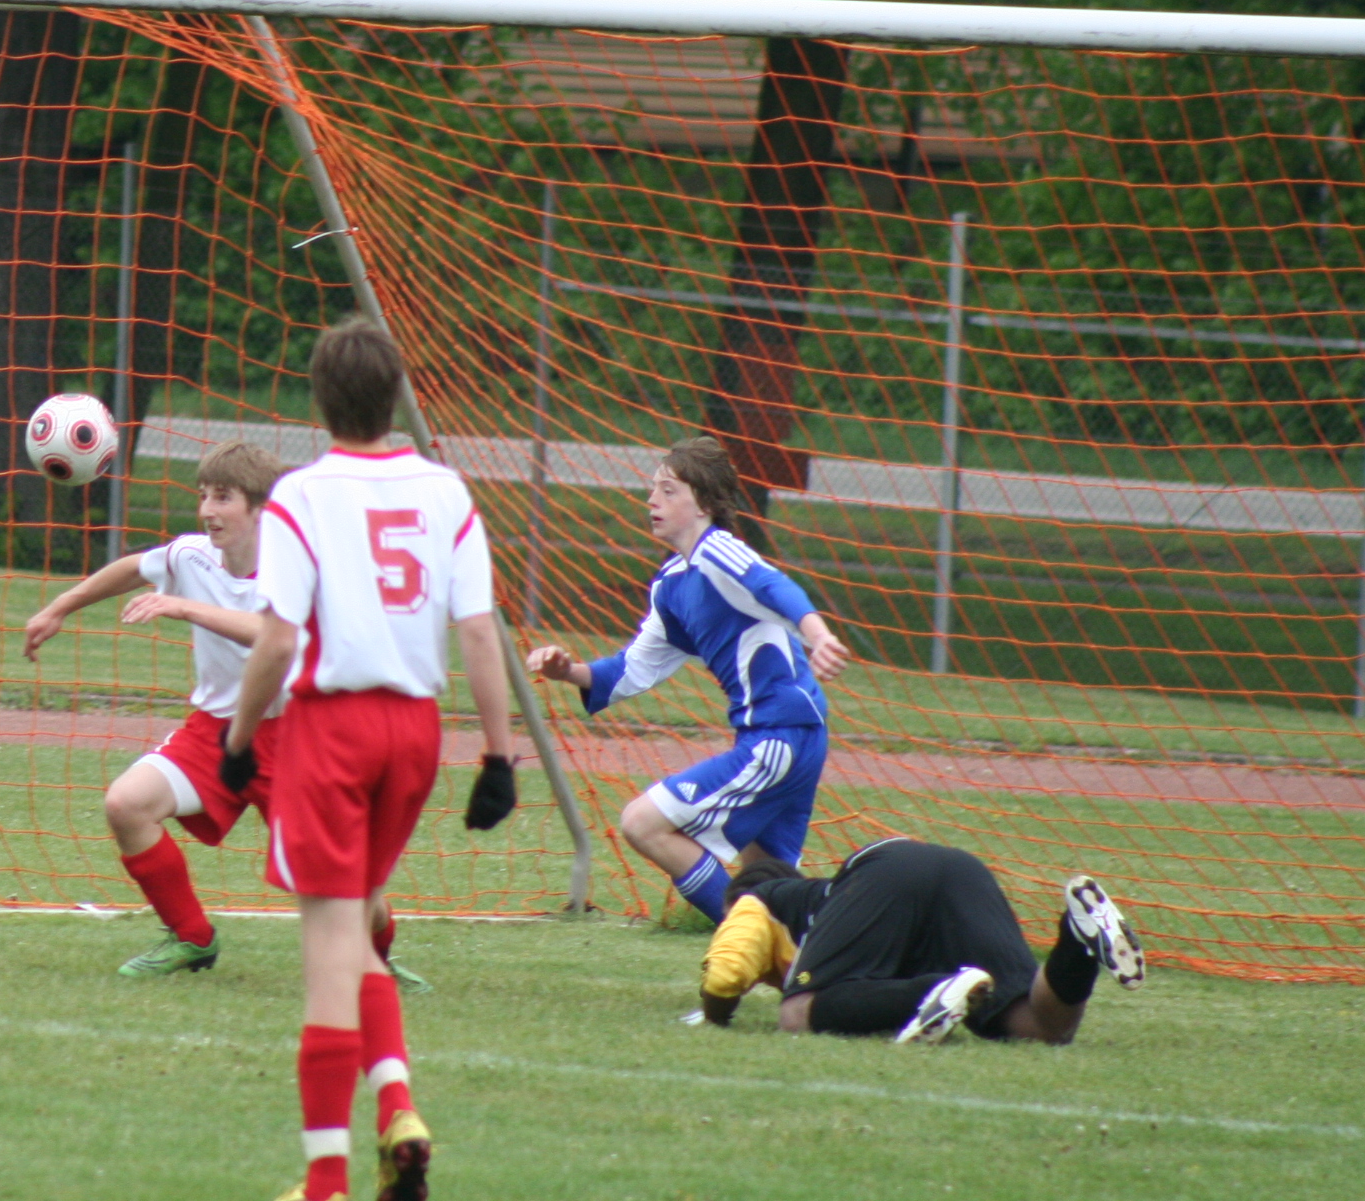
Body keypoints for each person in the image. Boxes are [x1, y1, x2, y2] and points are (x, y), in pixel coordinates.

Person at [226, 319, 520, 1201]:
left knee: (327, 953)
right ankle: (398, 1108)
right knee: (356, 932)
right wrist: (499, 755)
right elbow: (478, 631)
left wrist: (239, 739)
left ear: (318, 400)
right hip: (415, 733)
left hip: (333, 730)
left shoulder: (301, 497)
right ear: (395, 394)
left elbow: (280, 639)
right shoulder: (447, 490)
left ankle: (324, 1183)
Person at [27, 442, 441, 982]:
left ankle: (377, 964)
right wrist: (59, 607)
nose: (207, 510)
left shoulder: (305, 568)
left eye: (223, 498)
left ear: (263, 509)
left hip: (301, 741)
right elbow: (134, 568)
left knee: (347, 888)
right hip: (214, 732)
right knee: (127, 804)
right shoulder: (192, 555)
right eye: (203, 496)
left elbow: (275, 635)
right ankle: (191, 937)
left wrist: (185, 606)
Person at [525, 436, 846, 923]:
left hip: (780, 736)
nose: (652, 499)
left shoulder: (718, 550)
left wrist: (818, 635)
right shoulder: (672, 584)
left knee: (643, 823)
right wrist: (566, 670)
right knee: (774, 890)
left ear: (704, 505)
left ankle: (749, 937)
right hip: (785, 736)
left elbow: (771, 585)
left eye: (669, 490)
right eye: (654, 487)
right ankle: (820, 943)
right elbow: (631, 669)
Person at [695, 837, 1146, 1043]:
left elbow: (724, 974)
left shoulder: (758, 900)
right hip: (960, 869)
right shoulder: (845, 927)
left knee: (796, 1015)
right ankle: (1077, 938)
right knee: (1039, 1026)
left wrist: (715, 1017)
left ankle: (937, 989)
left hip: (885, 866)